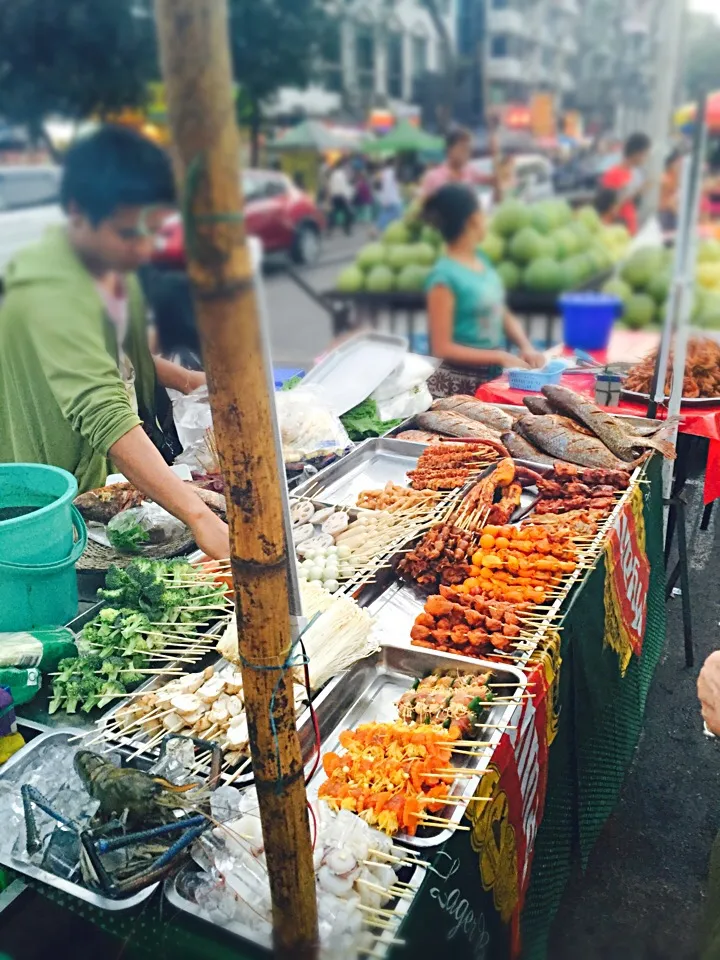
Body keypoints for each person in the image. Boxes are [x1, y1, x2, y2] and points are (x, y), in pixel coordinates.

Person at [0, 126, 230, 560]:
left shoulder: (107, 261)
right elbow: (103, 410)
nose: (143, 249)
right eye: (128, 233)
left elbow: (122, 351)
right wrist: (198, 517)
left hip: (105, 477)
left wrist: (184, 380)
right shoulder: (51, 286)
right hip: (50, 499)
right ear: (78, 212)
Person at [423, 184, 545, 397]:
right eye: (483, 213)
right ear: (472, 220)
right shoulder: (443, 277)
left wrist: (526, 346)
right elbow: (441, 347)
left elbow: (500, 310)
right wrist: (498, 356)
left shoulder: (481, 259)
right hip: (458, 388)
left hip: (491, 378)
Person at [599, 131, 652, 235]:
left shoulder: (638, 174)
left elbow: (634, 203)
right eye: (645, 154)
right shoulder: (613, 174)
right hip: (614, 231)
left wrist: (639, 192)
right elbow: (606, 207)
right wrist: (625, 196)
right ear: (637, 154)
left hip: (630, 227)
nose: (646, 158)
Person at [420, 128, 480, 198]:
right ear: (450, 149)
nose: (467, 153)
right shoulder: (433, 177)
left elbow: (493, 180)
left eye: (469, 149)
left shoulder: (470, 171)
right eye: (463, 149)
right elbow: (422, 205)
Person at [375, 158, 403, 232]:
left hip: (388, 199)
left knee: (386, 215)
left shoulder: (384, 173)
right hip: (391, 199)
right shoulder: (390, 173)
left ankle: (376, 230)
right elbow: (387, 187)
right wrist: (386, 200)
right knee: (397, 215)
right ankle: (378, 230)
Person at [328, 159, 354, 236]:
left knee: (333, 214)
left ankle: (330, 230)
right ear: (341, 166)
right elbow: (344, 187)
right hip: (341, 197)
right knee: (349, 213)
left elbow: (331, 187)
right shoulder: (342, 174)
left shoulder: (332, 175)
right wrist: (348, 196)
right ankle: (346, 229)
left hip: (334, 197)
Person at [659, 150, 682, 232]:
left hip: (673, 211)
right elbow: (669, 199)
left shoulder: (676, 177)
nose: (680, 165)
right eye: (678, 163)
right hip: (666, 212)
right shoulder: (666, 177)